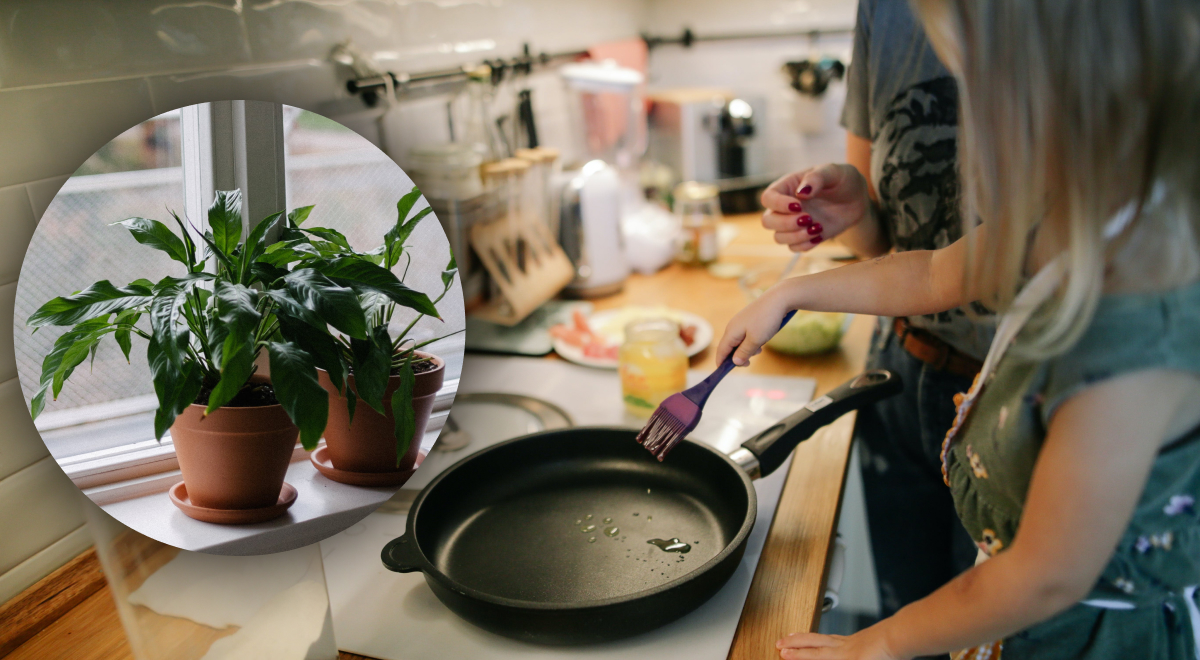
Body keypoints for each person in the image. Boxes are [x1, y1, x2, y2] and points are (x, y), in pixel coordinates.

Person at [721, 0, 1200, 657]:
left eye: (981, 85)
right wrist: (793, 292)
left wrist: (876, 646)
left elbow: (1042, 577)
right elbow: (930, 277)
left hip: (1082, 638)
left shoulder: (1133, 336)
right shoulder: (1080, 211)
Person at [761, 0, 981, 622]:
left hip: (1021, 393)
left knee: (986, 630)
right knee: (904, 608)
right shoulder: (885, 13)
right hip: (903, 376)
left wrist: (789, 294)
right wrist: (851, 211)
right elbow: (892, 245)